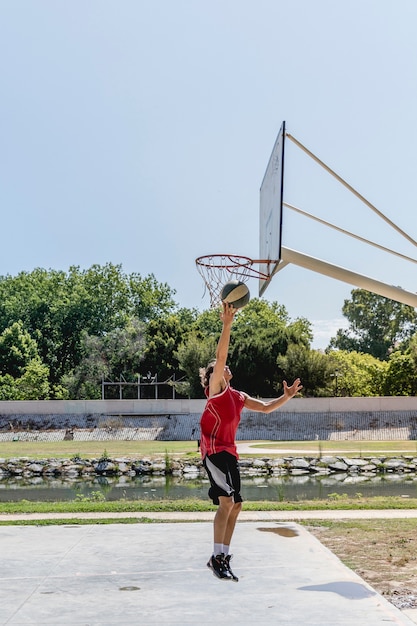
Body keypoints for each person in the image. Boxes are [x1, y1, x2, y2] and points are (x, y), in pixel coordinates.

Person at [199, 301, 302, 582]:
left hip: (229, 453)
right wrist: (227, 324)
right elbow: (220, 359)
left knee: (236, 504)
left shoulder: (238, 396)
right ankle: (216, 557)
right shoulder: (216, 390)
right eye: (217, 369)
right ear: (211, 378)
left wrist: (287, 397)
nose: (224, 367)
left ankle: (222, 556)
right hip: (213, 452)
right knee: (227, 501)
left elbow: (267, 408)